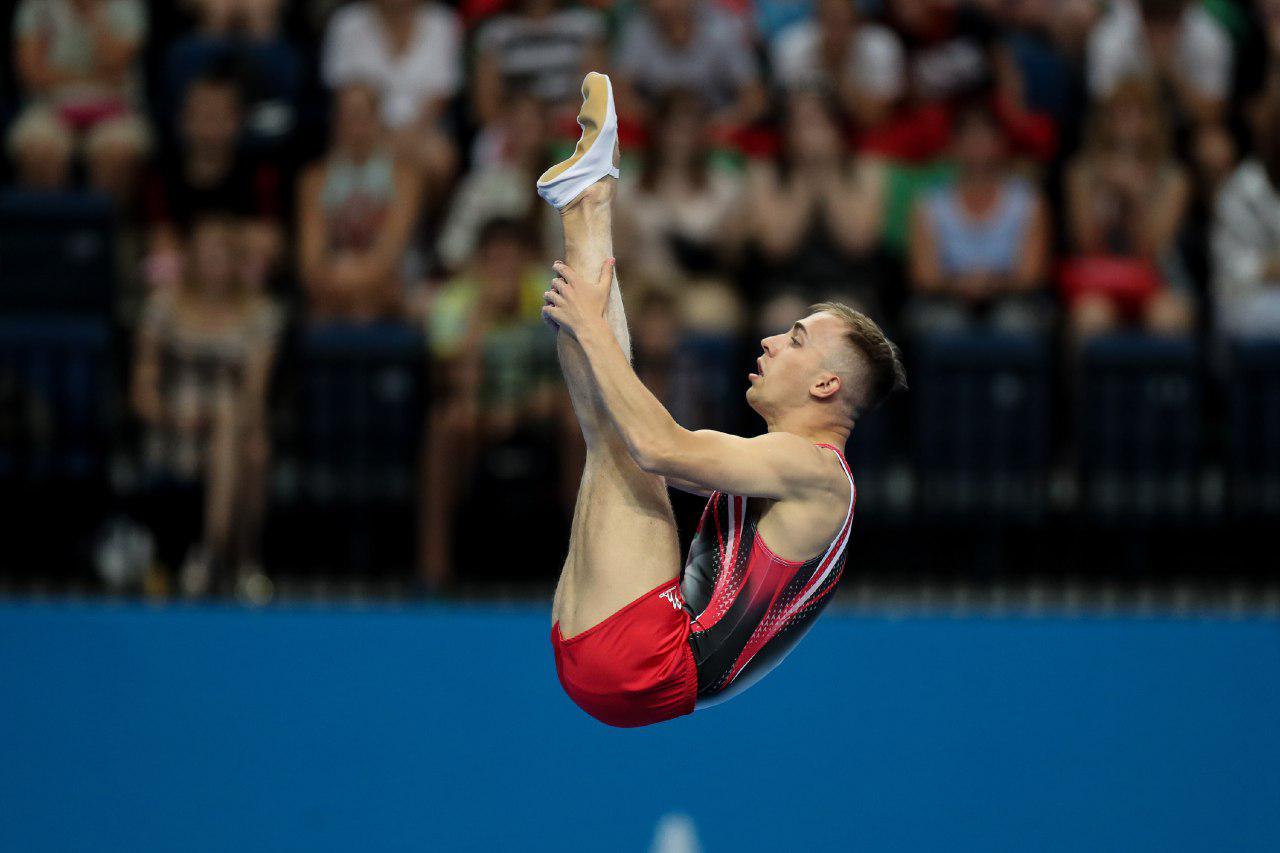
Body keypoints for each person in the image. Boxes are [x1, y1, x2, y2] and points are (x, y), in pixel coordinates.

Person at [538, 74, 906, 727]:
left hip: (650, 660)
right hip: (616, 652)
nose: (768, 341)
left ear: (827, 385)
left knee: (623, 441)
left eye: (794, 339)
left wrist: (592, 328)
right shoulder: (786, 464)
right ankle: (585, 201)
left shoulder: (819, 474)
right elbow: (665, 453)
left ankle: (589, 202)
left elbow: (659, 446)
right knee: (609, 436)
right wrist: (592, 333)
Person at [131, 214, 283, 599]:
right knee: (239, 439)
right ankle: (240, 562)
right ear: (190, 258)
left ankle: (210, 553)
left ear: (236, 261)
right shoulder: (162, 306)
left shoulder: (260, 312)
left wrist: (241, 426)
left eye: (223, 254)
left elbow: (254, 391)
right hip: (172, 426)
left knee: (242, 436)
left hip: (232, 424)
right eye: (205, 253)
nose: (214, 263)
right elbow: (143, 389)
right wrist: (172, 417)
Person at [1064, 76, 1195, 339]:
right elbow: (1086, 246)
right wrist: (1105, 194)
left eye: (1138, 115)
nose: (1127, 124)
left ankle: (1165, 382)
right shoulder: (1081, 174)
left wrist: (1133, 199)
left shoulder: (1173, 179)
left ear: (1153, 122)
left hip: (1159, 279)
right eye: (1119, 114)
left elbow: (1154, 250)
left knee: (1167, 317)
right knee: (1092, 316)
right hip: (1100, 280)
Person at [906, 99, 1050, 333]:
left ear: (1001, 144)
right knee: (944, 323)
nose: (977, 146)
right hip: (945, 298)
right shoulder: (930, 203)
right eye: (969, 138)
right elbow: (924, 277)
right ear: (954, 146)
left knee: (1014, 321)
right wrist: (961, 284)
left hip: (1013, 298)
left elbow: (1031, 275)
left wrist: (991, 284)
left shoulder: (1028, 201)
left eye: (985, 137)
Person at [297, 83, 423, 322]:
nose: (356, 127)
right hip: (331, 292)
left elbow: (389, 258)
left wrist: (347, 282)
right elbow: (311, 264)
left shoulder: (405, 177)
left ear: (378, 121)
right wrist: (345, 286)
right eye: (348, 117)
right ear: (335, 123)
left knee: (377, 306)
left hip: (389, 292)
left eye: (363, 116)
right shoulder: (314, 179)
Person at [9, 0, 152, 200]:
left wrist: (95, 18)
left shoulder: (127, 5)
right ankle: (48, 227)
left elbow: (116, 64)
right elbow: (32, 75)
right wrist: (93, 78)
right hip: (49, 106)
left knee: (116, 151)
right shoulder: (36, 5)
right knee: (40, 148)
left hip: (115, 107)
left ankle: (103, 228)